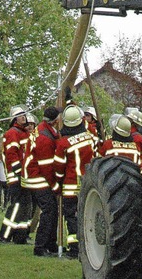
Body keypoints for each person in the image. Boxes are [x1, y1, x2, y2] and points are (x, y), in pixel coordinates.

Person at [53, 104, 96, 259]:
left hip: (70, 187)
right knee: (88, 216)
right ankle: (88, 247)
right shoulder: (91, 138)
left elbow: (58, 167)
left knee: (71, 218)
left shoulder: (63, 143)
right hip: (88, 185)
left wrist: (58, 184)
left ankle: (74, 249)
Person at [24, 106, 61, 257]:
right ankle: (40, 247)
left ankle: (51, 245)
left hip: (38, 175)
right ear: (55, 120)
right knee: (49, 210)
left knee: (53, 210)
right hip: (37, 177)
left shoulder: (45, 131)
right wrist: (55, 186)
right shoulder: (44, 138)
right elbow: (46, 166)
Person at [0, 106, 32, 244]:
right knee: (16, 206)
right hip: (16, 176)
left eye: (24, 115)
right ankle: (4, 236)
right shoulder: (12, 133)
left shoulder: (24, 133)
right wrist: (19, 172)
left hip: (25, 176)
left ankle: (20, 237)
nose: (23, 117)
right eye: (20, 115)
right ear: (14, 119)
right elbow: (12, 154)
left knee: (26, 207)